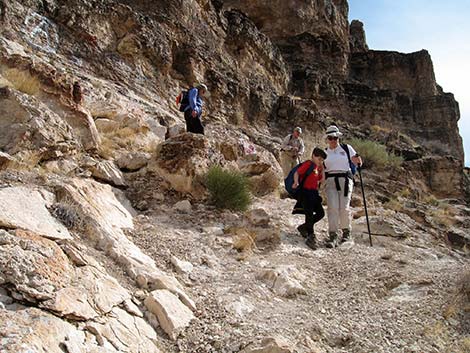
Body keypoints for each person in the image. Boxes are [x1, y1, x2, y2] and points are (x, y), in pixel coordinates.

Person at [323, 125, 362, 248]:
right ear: (327, 139)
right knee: (332, 207)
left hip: (345, 179)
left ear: (338, 138)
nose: (333, 140)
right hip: (330, 181)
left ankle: (346, 233)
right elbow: (322, 169)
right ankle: (333, 235)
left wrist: (358, 161)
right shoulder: (324, 152)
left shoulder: (346, 148)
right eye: (331, 138)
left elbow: (357, 160)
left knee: (344, 207)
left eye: (335, 137)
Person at [292, 147, 327, 250]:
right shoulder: (308, 164)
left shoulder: (317, 168)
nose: (320, 161)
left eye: (322, 160)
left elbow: (322, 180)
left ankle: (304, 227)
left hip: (314, 193)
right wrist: (295, 182)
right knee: (309, 214)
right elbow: (297, 173)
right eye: (319, 158)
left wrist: (323, 169)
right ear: (313, 156)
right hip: (305, 193)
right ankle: (310, 236)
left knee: (321, 213)